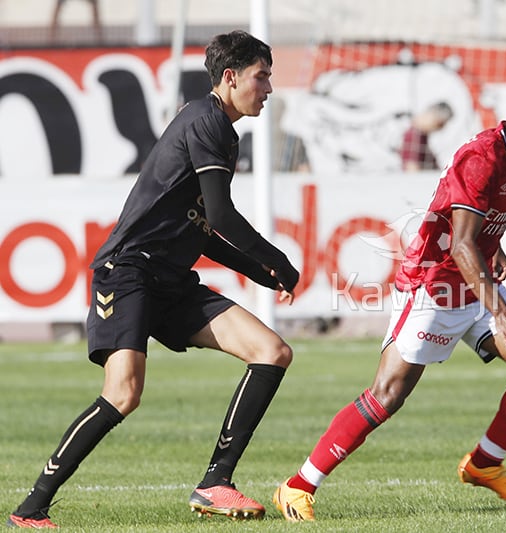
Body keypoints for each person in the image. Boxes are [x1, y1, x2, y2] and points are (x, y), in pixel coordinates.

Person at [7, 30, 300, 529]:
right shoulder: (205, 121)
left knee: (272, 351)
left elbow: (201, 228)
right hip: (129, 272)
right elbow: (221, 217)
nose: (269, 88)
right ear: (231, 78)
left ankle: (216, 482)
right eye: (262, 76)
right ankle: (31, 508)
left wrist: (262, 272)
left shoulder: (221, 130)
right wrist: (275, 258)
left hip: (170, 279)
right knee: (123, 393)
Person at [273, 95, 506, 522]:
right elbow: (459, 244)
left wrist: (494, 246)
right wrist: (501, 312)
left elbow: (472, 225)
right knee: (388, 394)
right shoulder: (482, 158)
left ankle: (484, 464)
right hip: (434, 286)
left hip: (475, 283)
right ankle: (298, 486)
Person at [400, 101, 454, 171]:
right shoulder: (415, 136)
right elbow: (412, 169)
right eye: (440, 123)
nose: (441, 128)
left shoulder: (421, 136)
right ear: (432, 115)